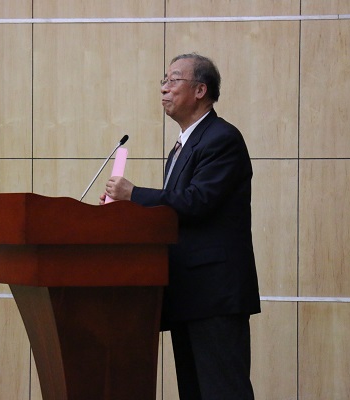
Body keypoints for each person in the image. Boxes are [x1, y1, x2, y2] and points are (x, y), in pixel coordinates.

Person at [101, 53, 260, 400]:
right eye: (164, 81)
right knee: (194, 391)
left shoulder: (221, 138)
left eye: (173, 80)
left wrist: (134, 194)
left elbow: (197, 202)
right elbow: (172, 213)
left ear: (200, 90)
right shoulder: (182, 146)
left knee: (223, 391)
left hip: (215, 294)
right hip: (188, 292)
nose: (164, 89)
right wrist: (127, 210)